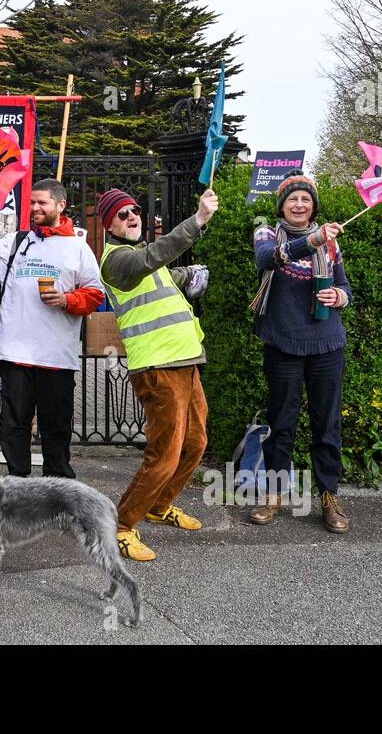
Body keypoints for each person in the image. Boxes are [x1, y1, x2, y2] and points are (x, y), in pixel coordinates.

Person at [96, 187, 219, 562]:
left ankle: (159, 506)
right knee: (164, 453)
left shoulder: (142, 258)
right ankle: (120, 526)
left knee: (196, 443)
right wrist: (197, 221)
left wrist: (191, 275)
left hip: (186, 362)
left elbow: (164, 273)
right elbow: (153, 258)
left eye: (135, 210)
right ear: (109, 225)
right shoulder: (115, 261)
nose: (132, 216)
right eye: (122, 214)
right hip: (157, 368)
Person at [248, 171, 352, 533]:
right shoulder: (266, 233)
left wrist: (339, 296)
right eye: (293, 198)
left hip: (327, 344)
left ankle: (329, 496)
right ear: (282, 205)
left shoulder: (331, 243)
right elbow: (269, 259)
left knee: (327, 425)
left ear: (313, 206)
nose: (299, 204)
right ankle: (275, 493)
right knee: (281, 424)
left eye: (305, 199)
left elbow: (344, 287)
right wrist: (312, 239)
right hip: (283, 343)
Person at [0, 179, 105, 478]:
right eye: (33, 203)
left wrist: (67, 300)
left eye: (43, 203)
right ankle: (17, 485)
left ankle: (58, 489)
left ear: (60, 205)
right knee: (13, 426)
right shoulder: (16, 241)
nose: (36, 208)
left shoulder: (78, 247)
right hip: (14, 352)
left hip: (55, 356)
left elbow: (95, 295)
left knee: (56, 427)